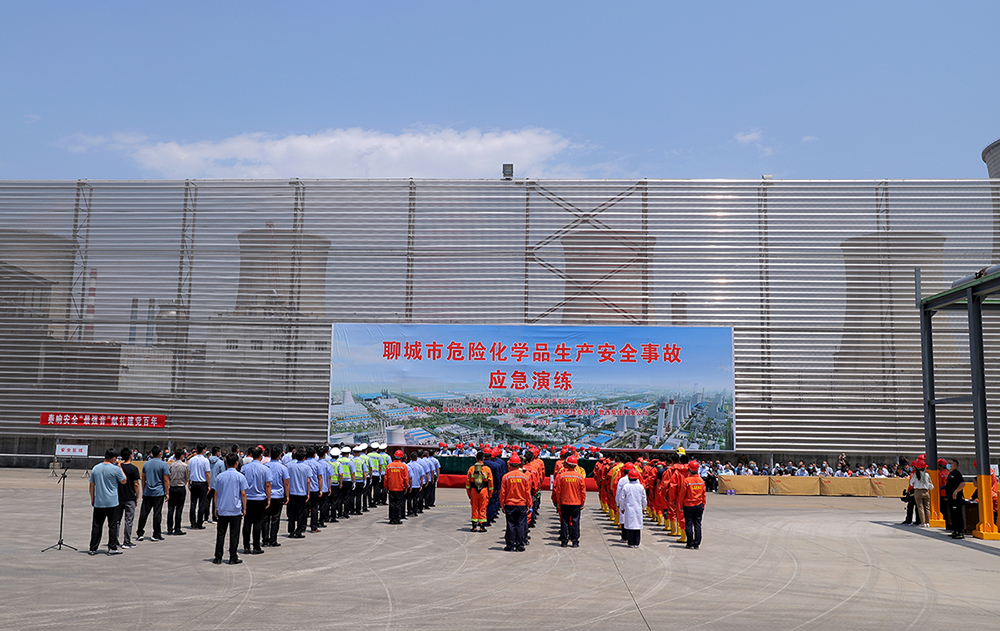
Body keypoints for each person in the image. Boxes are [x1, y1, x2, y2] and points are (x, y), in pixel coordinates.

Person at [88, 448, 127, 555]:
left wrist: (92, 498)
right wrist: (120, 467)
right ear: (113, 458)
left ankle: (93, 548)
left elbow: (91, 485)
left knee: (97, 526)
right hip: (112, 502)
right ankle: (112, 547)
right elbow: (124, 480)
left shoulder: (96, 468)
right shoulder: (115, 469)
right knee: (112, 526)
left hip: (99, 501)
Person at [213, 453, 248, 565]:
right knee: (234, 534)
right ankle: (233, 556)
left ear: (226, 463)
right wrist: (244, 508)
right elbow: (243, 493)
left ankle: (218, 557)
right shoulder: (240, 477)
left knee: (221, 534)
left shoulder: (220, 476)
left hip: (223, 509)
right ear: (237, 463)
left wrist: (216, 507)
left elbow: (216, 493)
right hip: (235, 509)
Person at [136, 445, 170, 542]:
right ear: (160, 453)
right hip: (159, 492)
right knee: (157, 513)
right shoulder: (163, 464)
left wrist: (143, 490)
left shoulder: (146, 464)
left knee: (144, 513)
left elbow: (143, 479)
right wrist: (167, 492)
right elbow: (166, 479)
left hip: (148, 491)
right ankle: (156, 534)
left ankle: (140, 533)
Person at [241, 446, 271, 554]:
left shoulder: (244, 468)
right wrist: (269, 498)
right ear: (261, 456)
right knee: (258, 523)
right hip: (260, 498)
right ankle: (256, 546)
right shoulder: (265, 469)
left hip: (247, 497)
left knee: (247, 522)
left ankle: (246, 546)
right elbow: (268, 485)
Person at [552, 454, 586, 547]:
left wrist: (558, 502)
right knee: (575, 523)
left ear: (567, 464)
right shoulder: (580, 477)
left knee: (564, 522)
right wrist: (582, 503)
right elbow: (583, 492)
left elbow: (558, 491)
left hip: (564, 502)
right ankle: (575, 542)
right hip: (576, 503)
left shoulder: (562, 476)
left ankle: (564, 542)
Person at [499, 453, 531, 551]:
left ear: (510, 465)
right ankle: (520, 545)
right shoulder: (524, 477)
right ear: (519, 464)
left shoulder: (506, 477)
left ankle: (510, 545)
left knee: (510, 525)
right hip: (521, 504)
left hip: (509, 504)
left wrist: (502, 505)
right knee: (520, 525)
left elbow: (503, 493)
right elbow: (527, 493)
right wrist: (528, 504)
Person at [263, 446, 289, 547]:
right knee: (275, 518)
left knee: (265, 518)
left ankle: (265, 539)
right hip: (278, 496)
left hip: (267, 495)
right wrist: (287, 495)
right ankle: (273, 540)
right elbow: (286, 483)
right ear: (279, 456)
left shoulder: (265, 466)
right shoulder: (283, 467)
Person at [116, 447, 141, 549]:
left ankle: (115, 541)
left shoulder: (118, 467)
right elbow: (136, 484)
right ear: (131, 456)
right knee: (128, 520)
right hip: (130, 497)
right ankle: (127, 541)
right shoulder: (134, 469)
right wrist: (137, 496)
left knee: (117, 520)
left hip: (118, 496)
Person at [679, 460, 706, 549]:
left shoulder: (687, 481)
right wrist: (703, 505)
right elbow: (704, 494)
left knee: (688, 524)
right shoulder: (701, 480)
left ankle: (690, 543)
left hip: (688, 505)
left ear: (689, 470)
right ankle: (697, 544)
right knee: (698, 524)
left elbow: (682, 494)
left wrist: (680, 505)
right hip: (699, 504)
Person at [617, 469, 647, 548]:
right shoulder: (640, 487)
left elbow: (622, 499)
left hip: (628, 508)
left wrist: (622, 507)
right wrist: (644, 507)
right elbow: (644, 499)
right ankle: (636, 542)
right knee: (637, 526)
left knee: (630, 525)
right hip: (638, 508)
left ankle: (631, 542)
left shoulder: (626, 487)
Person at [466, 451, 493, 532]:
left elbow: (468, 483)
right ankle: (482, 527)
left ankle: (474, 526)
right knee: (483, 508)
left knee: (474, 508)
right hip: (484, 491)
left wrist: (469, 494)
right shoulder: (487, 469)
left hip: (474, 490)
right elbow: (490, 483)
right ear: (483, 458)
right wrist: (490, 494)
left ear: (476, 458)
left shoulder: (471, 469)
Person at [286, 448, 310, 538]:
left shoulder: (290, 467)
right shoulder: (307, 467)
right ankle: (299, 531)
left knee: (291, 513)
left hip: (292, 492)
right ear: (304, 457)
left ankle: (291, 531)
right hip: (302, 493)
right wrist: (308, 493)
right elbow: (308, 481)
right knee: (301, 513)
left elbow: (287, 480)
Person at [187, 444, 211, 529]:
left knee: (193, 503)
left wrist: (189, 482)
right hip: (202, 483)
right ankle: (199, 523)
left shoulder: (192, 460)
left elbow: (189, 472)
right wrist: (209, 485)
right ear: (204, 450)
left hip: (194, 482)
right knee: (202, 504)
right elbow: (207, 473)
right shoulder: (205, 460)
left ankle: (193, 523)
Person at [167, 449, 189, 536]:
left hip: (172, 488)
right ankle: (177, 528)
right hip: (180, 488)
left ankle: (169, 529)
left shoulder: (170, 465)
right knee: (179, 509)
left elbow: (167, 477)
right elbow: (187, 478)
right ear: (182, 456)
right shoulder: (185, 466)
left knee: (170, 509)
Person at [385, 450, 411, 524]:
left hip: (391, 488)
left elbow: (386, 478)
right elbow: (406, 478)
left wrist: (386, 487)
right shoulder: (403, 466)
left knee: (392, 504)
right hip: (400, 488)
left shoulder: (389, 466)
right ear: (401, 458)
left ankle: (392, 519)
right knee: (399, 504)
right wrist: (406, 487)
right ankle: (397, 519)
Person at [945, 458, 967, 539]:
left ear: (955, 465)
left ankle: (960, 532)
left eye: (950, 463)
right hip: (951, 498)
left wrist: (956, 491)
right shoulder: (950, 474)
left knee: (958, 515)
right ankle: (955, 530)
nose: (948, 465)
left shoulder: (956, 473)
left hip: (956, 499)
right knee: (953, 515)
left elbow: (962, 483)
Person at [909, 459, 932, 526]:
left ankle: (922, 522)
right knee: (927, 507)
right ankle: (927, 522)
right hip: (926, 491)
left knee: (920, 507)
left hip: (918, 491)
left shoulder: (915, 475)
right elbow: (930, 483)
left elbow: (911, 483)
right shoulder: (927, 474)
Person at [208, 446, 224, 522]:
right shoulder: (221, 462)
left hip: (208, 484)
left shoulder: (207, 461)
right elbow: (222, 474)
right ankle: (215, 516)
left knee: (206, 501)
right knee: (215, 501)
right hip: (216, 484)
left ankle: (205, 516)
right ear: (217, 453)